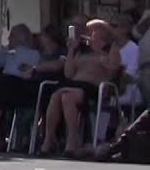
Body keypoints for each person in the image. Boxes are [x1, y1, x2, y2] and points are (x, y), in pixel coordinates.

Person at [41, 19, 123, 157]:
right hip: (75, 85)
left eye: (91, 31)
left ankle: (70, 140)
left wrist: (100, 54)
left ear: (102, 33)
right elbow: (68, 74)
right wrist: (71, 50)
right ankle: (52, 138)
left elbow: (112, 72)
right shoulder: (82, 51)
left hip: (95, 88)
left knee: (64, 94)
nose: (87, 34)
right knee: (62, 96)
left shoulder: (111, 50)